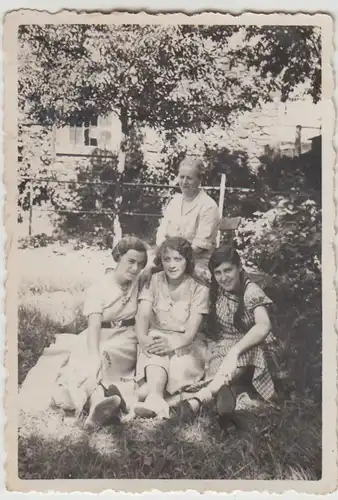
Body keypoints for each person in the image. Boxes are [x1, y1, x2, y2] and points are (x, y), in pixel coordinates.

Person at [19, 236, 148, 429]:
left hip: (127, 338)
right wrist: (93, 355)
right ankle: (96, 404)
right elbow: (94, 326)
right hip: (100, 334)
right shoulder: (100, 287)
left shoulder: (138, 280)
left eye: (140, 264)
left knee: (107, 359)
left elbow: (161, 263)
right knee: (88, 361)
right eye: (130, 262)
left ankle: (99, 403)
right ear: (118, 257)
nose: (135, 269)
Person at [174, 244, 286, 428]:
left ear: (239, 267)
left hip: (258, 348)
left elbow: (263, 325)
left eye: (228, 270)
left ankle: (196, 401)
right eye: (218, 273)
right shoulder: (217, 288)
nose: (223, 277)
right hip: (228, 346)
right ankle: (231, 400)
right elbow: (187, 269)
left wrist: (235, 351)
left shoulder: (251, 291)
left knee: (243, 354)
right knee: (219, 377)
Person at [132, 237, 210, 419]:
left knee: (173, 371)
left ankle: (153, 399)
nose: (172, 265)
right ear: (161, 261)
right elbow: (142, 316)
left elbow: (190, 333)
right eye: (167, 259)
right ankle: (157, 399)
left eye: (178, 259)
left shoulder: (199, 288)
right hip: (156, 336)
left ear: (187, 261)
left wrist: (172, 344)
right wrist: (144, 340)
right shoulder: (154, 280)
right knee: (155, 351)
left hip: (185, 343)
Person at [156, 156, 220, 271]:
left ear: (199, 180)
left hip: (196, 264)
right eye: (182, 177)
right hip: (169, 259)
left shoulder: (208, 206)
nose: (184, 182)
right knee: (145, 273)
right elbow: (162, 232)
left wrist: (174, 259)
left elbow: (199, 247)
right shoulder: (174, 202)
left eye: (189, 178)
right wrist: (164, 254)